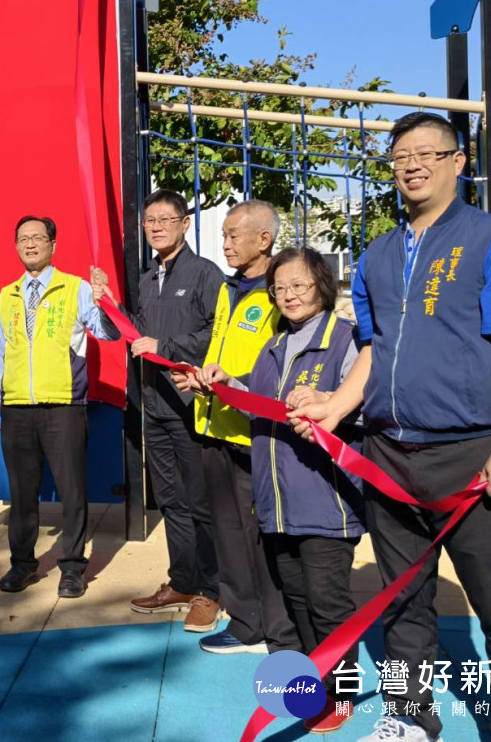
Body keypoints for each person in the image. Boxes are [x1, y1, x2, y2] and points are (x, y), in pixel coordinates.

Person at [290, 112, 491, 742]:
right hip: (388, 455)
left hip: (470, 456)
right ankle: (412, 716)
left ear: (459, 163)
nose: (412, 164)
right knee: (403, 600)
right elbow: (374, 351)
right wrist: (335, 405)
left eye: (428, 153)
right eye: (401, 155)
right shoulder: (376, 255)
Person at [198, 247, 363, 735]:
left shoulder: (346, 341)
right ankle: (313, 683)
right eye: (281, 288)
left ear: (323, 287)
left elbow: (367, 402)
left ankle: (343, 694)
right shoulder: (273, 348)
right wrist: (227, 381)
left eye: (300, 285)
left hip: (325, 501)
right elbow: (257, 397)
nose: (289, 295)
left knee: (328, 602)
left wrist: (331, 401)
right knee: (295, 598)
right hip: (277, 504)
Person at [173, 199, 299, 655]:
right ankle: (246, 624)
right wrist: (199, 376)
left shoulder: (280, 294)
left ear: (263, 240)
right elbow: (221, 354)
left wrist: (239, 385)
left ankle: (280, 631)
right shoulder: (228, 290)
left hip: (258, 436)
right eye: (223, 235)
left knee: (266, 536)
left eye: (232, 235)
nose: (224, 244)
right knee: (228, 532)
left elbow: (285, 367)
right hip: (215, 427)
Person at [0, 215, 118, 599]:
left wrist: (103, 299)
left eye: (38, 237)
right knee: (22, 493)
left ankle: (73, 568)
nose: (30, 244)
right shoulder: (7, 295)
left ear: (52, 244)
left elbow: (107, 333)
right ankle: (22, 565)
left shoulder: (75, 289)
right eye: (23, 238)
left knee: (73, 491)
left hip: (64, 406)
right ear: (16, 246)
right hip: (17, 409)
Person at [124, 190, 224, 633]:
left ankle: (211, 589)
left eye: (167, 219)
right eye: (150, 220)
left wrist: (166, 348)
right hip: (155, 405)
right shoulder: (148, 279)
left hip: (191, 405)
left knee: (200, 501)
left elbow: (216, 334)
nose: (157, 226)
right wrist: (107, 301)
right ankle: (182, 581)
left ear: (185, 223)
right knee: (170, 500)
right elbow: (134, 333)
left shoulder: (205, 274)